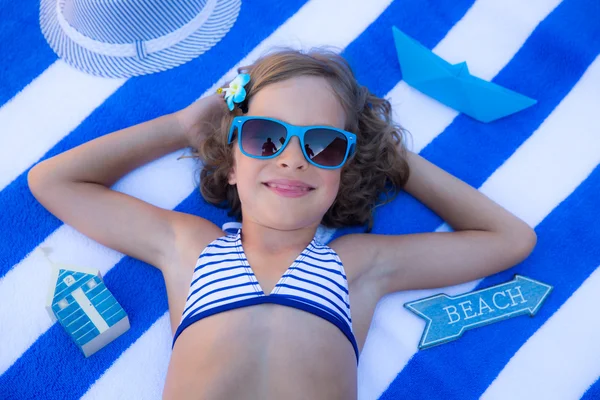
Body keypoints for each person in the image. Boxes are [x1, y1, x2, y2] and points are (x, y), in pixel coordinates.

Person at [27, 48, 537, 399]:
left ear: (345, 171)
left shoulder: (360, 264)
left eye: (323, 145)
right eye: (266, 137)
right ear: (230, 162)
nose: (293, 159)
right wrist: (185, 125)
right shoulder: (187, 244)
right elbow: (53, 181)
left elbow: (511, 239)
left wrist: (386, 152)